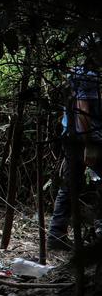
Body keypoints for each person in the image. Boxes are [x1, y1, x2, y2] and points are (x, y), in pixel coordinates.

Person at [49, 54, 102, 250]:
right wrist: (89, 143)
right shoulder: (88, 75)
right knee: (74, 182)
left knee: (71, 183)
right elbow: (82, 109)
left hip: (75, 135)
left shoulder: (82, 72)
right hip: (84, 137)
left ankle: (57, 233)